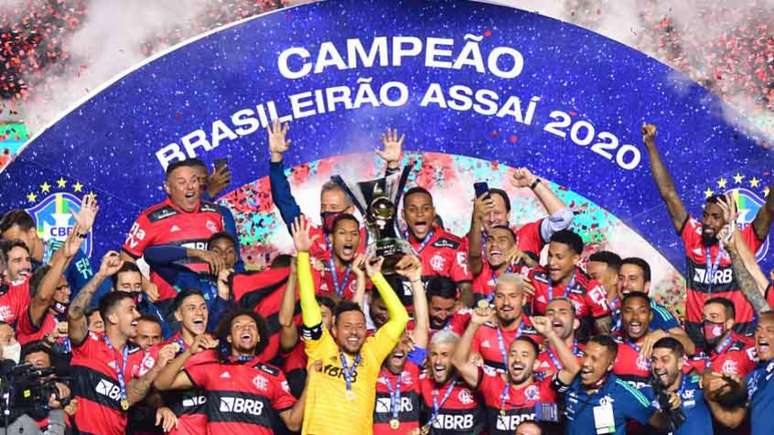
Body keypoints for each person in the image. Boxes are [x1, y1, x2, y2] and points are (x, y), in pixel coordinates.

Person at [643, 123, 774, 345]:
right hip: (695, 337)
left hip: (737, 338)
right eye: (706, 215)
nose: (707, 222)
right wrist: (651, 146)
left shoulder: (745, 239)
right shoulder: (692, 234)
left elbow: (770, 208)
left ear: (729, 217)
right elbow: (668, 194)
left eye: (715, 217)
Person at [293, 216, 409, 435]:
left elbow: (401, 318)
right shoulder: (321, 348)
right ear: (334, 330)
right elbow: (308, 302)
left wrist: (376, 277)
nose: (354, 332)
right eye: (347, 326)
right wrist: (302, 254)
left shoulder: (371, 354)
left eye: (359, 326)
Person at [67, 251, 176, 435]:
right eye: (130, 310)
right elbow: (74, 313)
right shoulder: (88, 344)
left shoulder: (139, 355)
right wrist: (101, 275)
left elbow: (131, 397)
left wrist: (157, 372)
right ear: (112, 317)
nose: (137, 315)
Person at [154, 308, 306, 433]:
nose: (246, 328)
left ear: (259, 337)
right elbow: (161, 384)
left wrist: (311, 382)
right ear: (229, 338)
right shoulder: (212, 369)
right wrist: (189, 353)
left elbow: (293, 423)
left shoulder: (274, 375)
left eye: (252, 326)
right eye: (238, 326)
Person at [121, 158, 226, 318]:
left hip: (210, 302)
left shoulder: (216, 214)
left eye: (194, 180)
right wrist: (144, 284)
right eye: (182, 182)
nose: (189, 186)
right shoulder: (150, 217)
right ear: (168, 188)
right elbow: (126, 256)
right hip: (170, 304)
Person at [454, 306, 568, 435]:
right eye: (512, 354)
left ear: (536, 364)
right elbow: (459, 362)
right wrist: (473, 325)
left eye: (524, 355)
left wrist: (550, 334)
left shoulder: (545, 390)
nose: (517, 359)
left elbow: (572, 370)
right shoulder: (493, 386)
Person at [267, 119, 366, 261]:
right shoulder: (309, 234)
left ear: (350, 210)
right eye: (323, 206)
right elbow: (283, 200)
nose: (327, 212)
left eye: (334, 207)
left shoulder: (366, 236)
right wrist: (276, 157)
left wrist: (392, 165)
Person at [552, 334, 680, 435]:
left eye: (594, 359)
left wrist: (670, 407)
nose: (586, 363)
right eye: (585, 355)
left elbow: (660, 423)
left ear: (610, 365)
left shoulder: (625, 393)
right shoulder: (571, 381)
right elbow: (544, 409)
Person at [466, 167, 573, 267]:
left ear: (508, 214)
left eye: (497, 213)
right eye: (486, 213)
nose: (492, 219)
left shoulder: (526, 234)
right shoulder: (468, 242)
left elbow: (564, 218)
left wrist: (532, 182)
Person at [373, 254, 429, 434]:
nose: (398, 348)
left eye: (403, 342)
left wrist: (415, 280)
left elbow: (422, 324)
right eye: (392, 344)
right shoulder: (370, 367)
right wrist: (361, 279)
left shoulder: (412, 366)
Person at [0, 194, 97, 293]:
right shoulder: (19, 267)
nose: (14, 247)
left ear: (32, 233)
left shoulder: (70, 252)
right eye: (9, 243)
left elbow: (90, 293)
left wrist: (82, 231)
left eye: (17, 240)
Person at [527, 230, 611, 335]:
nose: (552, 262)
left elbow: (604, 335)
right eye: (549, 255)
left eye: (559, 257)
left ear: (575, 259)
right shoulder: (534, 277)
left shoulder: (590, 289)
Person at [703, 312, 774, 435]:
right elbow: (732, 420)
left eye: (770, 330)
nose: (761, 335)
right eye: (758, 330)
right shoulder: (755, 376)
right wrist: (710, 395)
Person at [401, 186, 474, 305]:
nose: (420, 214)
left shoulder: (454, 245)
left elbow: (466, 290)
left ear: (434, 212)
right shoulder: (395, 245)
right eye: (412, 210)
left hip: (440, 319)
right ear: (403, 214)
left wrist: (456, 310)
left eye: (426, 209)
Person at [469, 274, 541, 372]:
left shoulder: (538, 331)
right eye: (500, 296)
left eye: (513, 296)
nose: (506, 302)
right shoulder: (481, 326)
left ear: (523, 299)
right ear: (494, 299)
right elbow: (465, 363)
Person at [614, 257, 688, 348]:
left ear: (646, 286)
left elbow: (689, 346)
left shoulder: (657, 312)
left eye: (632, 279)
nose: (624, 284)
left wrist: (665, 335)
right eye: (621, 278)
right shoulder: (611, 308)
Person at [419, 330, 484, 434]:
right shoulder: (423, 381)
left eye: (444, 355)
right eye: (434, 354)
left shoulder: (475, 381)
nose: (438, 361)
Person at [650, 337, 713, 434]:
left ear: (680, 363)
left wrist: (709, 376)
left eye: (665, 360)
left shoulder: (699, 385)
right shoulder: (646, 392)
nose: (657, 366)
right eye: (654, 360)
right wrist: (666, 409)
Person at [687, 297, 756, 377]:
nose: (706, 323)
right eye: (704, 318)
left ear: (729, 323)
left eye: (714, 317)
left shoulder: (740, 353)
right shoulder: (707, 352)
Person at [471, 225, 534, 302]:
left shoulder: (523, 272)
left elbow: (545, 274)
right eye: (490, 240)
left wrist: (528, 260)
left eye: (502, 240)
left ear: (514, 247)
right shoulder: (478, 269)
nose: (494, 244)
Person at [534, 298, 583, 378]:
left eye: (563, 313)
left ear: (575, 323)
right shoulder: (535, 358)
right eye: (550, 313)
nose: (555, 316)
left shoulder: (587, 354)